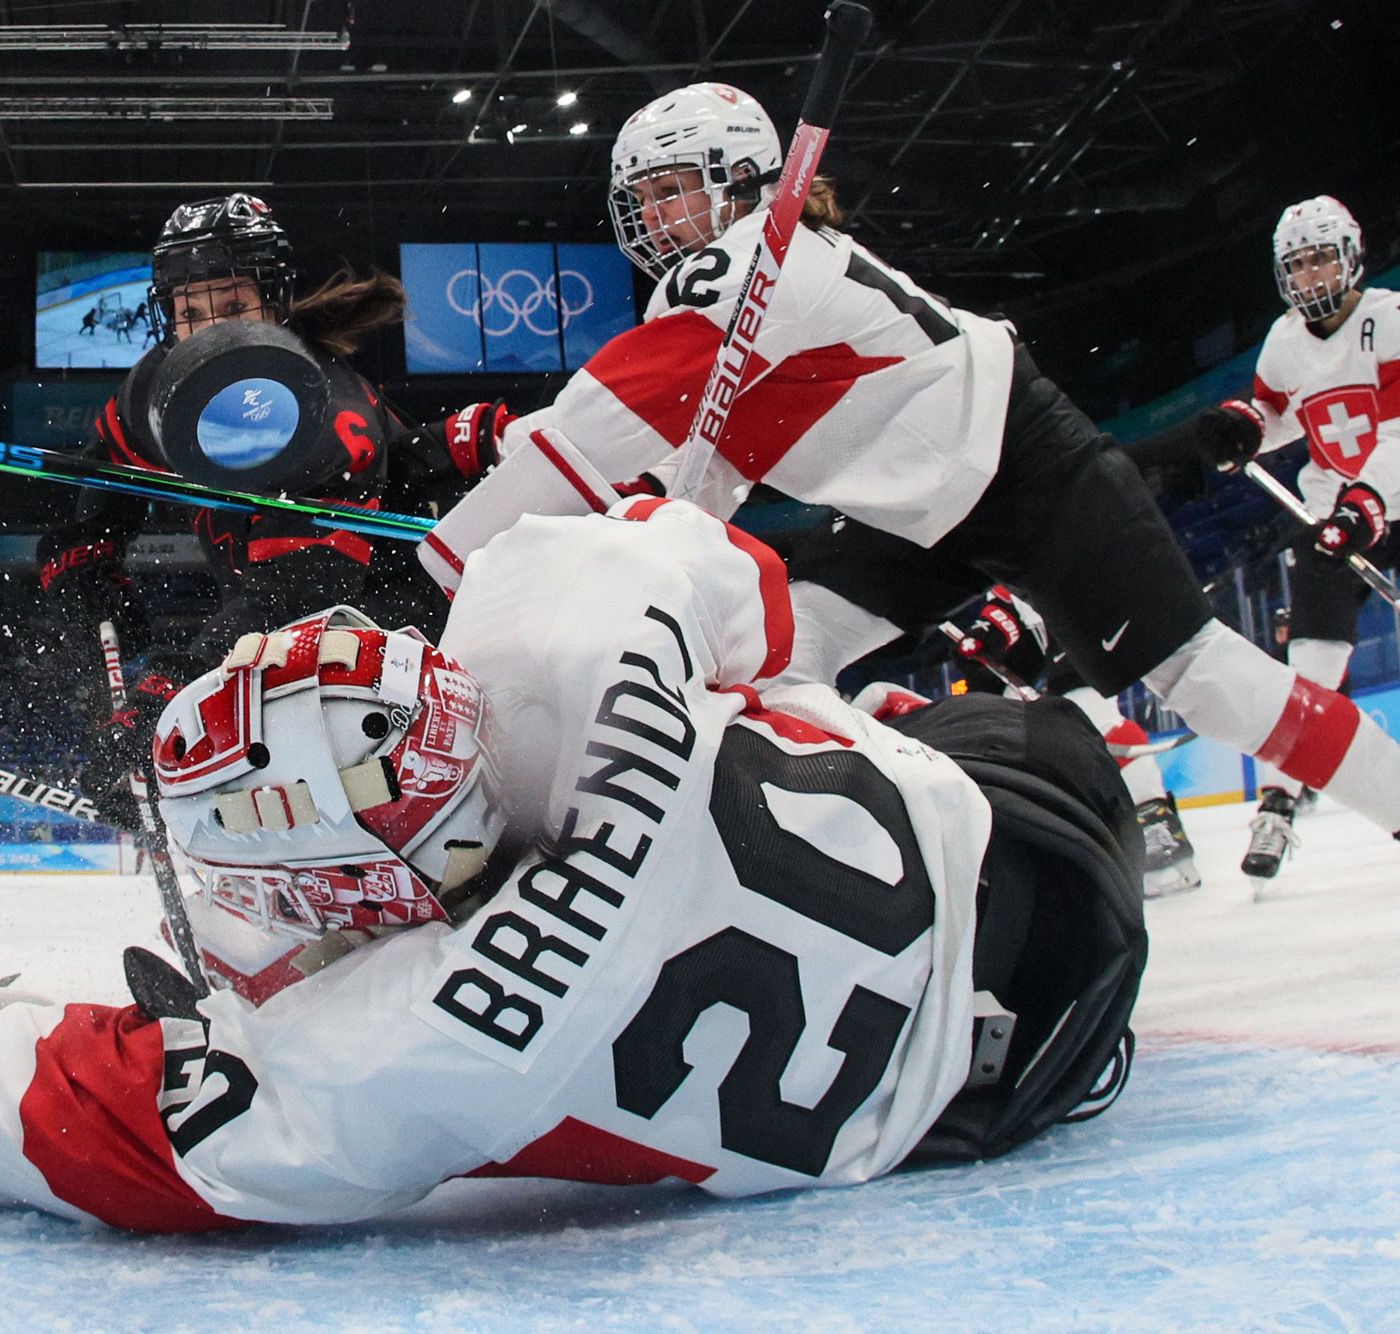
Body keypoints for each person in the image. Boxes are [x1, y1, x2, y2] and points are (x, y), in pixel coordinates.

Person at [0, 498, 1144, 1229]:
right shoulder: (553, 617)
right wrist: (702, 711)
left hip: (965, 1098)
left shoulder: (388, 1052)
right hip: (1032, 816)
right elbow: (746, 586)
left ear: (356, 899)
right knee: (801, 694)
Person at [421, 83, 1400, 861]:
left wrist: (446, 559)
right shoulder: (730, 298)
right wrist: (531, 471)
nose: (654, 213)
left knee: (1201, 676)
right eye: (641, 196)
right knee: (772, 659)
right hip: (913, 518)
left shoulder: (751, 271)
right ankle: (880, 861)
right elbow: (679, 485)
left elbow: (598, 428)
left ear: (738, 179)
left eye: (671, 186)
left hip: (1022, 467)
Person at [35, 193, 508, 814]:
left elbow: (296, 598)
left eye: (232, 305)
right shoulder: (157, 383)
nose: (210, 328)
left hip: (395, 631)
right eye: (189, 309)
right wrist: (90, 546)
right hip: (288, 618)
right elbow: (112, 462)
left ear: (273, 301)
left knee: (323, 797)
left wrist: (174, 692)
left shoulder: (323, 412)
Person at [1127, 197, 1393, 881]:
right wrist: (1246, 425)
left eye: (1321, 258)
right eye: (1297, 264)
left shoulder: (1387, 320)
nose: (1310, 275)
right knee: (1309, 657)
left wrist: (1371, 499)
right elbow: (1279, 413)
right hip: (1333, 512)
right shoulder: (1283, 339)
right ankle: (1279, 800)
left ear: (1352, 255)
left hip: (1386, 500)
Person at [953, 587, 1199, 897]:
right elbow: (1016, 626)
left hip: (1088, 623)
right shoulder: (996, 568)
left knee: (1096, 719)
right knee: (1033, 737)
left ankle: (1156, 828)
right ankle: (1081, 850)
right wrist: (986, 640)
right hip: (1063, 644)